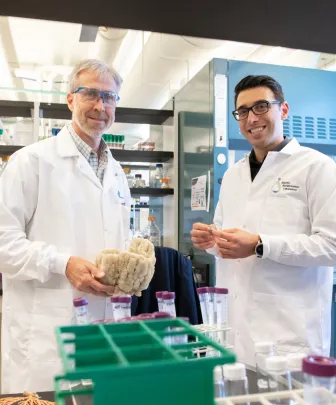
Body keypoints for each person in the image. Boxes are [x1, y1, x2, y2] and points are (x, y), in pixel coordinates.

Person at [0, 59, 131, 393]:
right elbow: (3, 243)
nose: (101, 106)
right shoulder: (30, 162)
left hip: (103, 331)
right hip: (45, 334)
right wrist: (63, 263)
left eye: (110, 97)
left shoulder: (118, 174)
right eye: (90, 94)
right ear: (70, 99)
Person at [191, 75, 336, 368]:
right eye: (242, 111)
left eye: (260, 107)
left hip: (291, 333)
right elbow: (226, 239)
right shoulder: (233, 175)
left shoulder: (317, 167)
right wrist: (211, 241)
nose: (251, 118)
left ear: (282, 110)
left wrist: (260, 245)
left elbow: (331, 245)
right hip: (236, 333)